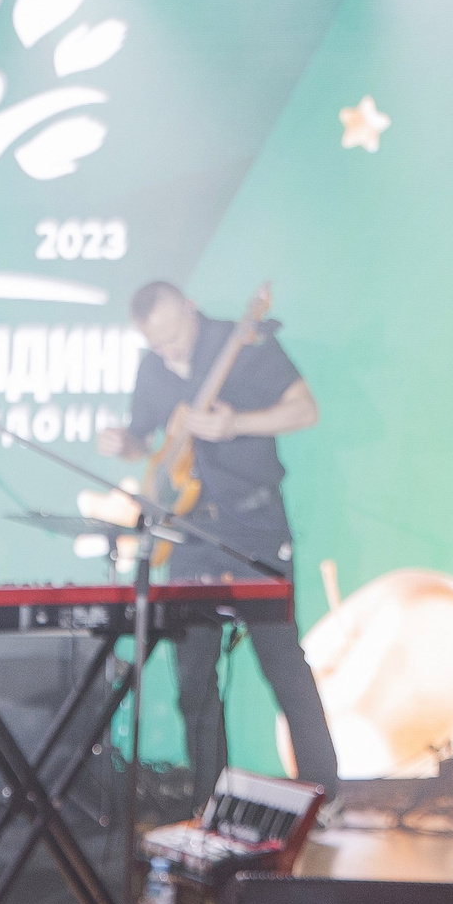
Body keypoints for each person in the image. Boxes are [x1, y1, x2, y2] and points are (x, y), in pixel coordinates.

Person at [97, 281, 340, 794]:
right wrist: (126, 443)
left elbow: (306, 410)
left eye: (174, 337)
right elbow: (145, 439)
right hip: (188, 533)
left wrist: (239, 425)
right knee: (194, 677)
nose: (170, 351)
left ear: (191, 308)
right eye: (157, 344)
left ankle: (324, 793)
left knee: (281, 662)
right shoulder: (153, 368)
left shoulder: (243, 343)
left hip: (254, 527)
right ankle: (210, 800)